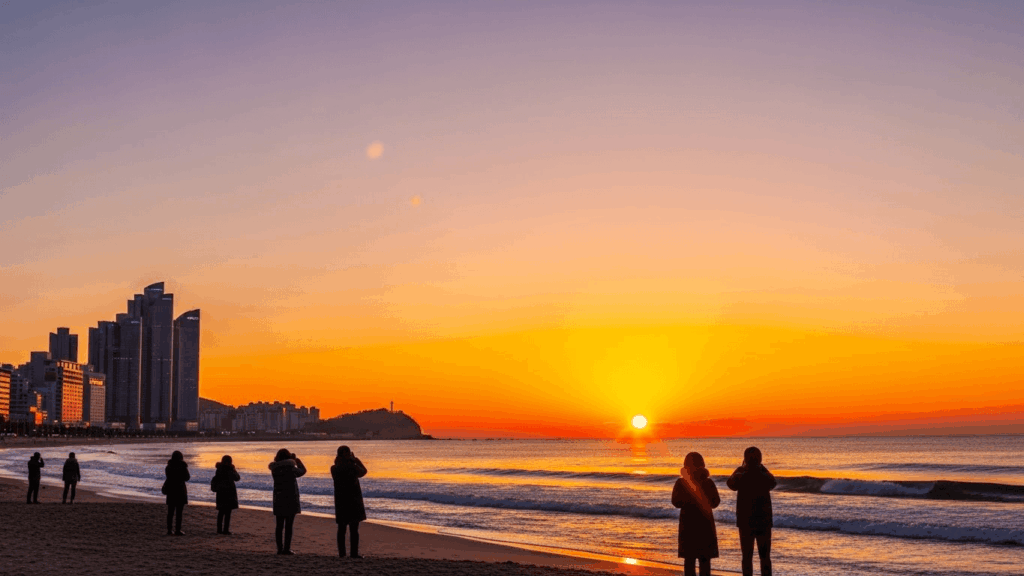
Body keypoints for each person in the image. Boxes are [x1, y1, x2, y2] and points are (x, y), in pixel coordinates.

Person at [727, 446, 777, 576]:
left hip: (745, 520)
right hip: (764, 520)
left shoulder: (741, 474)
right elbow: (773, 483)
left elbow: (730, 484)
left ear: (745, 459)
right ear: (760, 459)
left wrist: (739, 469)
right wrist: (763, 467)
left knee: (746, 556)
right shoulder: (763, 474)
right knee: (765, 556)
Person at [671, 452, 721, 576]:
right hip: (705, 524)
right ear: (702, 464)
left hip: (688, 524)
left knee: (689, 560)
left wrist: (688, 501)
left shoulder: (681, 482)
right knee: (705, 560)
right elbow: (715, 502)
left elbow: (675, 502)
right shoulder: (708, 482)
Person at [330, 445, 368, 558]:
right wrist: (355, 460)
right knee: (353, 529)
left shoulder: (334, 468)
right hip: (353, 499)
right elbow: (364, 471)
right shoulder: (352, 466)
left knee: (342, 528)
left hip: (341, 500)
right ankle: (353, 554)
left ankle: (342, 554)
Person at [269, 448, 306, 555]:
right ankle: (286, 548)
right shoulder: (291, 468)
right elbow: (302, 471)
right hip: (291, 497)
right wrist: (297, 461)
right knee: (289, 525)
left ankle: (279, 549)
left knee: (279, 525)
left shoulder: (274, 469)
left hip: (278, 498)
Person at [163, 451, 190, 536]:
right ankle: (178, 530)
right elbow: (187, 478)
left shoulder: (169, 466)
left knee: (170, 511)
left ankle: (169, 530)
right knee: (179, 512)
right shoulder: (182, 466)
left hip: (171, 490)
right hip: (180, 490)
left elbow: (168, 477)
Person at [212, 455, 240, 535]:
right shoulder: (230, 469)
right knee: (228, 513)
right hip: (229, 493)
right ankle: (225, 530)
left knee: (221, 512)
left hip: (221, 493)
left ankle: (219, 530)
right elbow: (237, 478)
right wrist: (234, 469)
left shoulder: (219, 469)